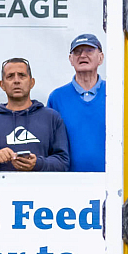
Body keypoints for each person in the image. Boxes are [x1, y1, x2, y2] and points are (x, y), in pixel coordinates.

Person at [0, 58, 70, 172]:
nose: (16, 81)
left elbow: (63, 163)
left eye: (22, 75)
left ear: (32, 82)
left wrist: (38, 164)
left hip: (41, 189)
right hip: (1, 189)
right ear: (2, 85)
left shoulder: (51, 118)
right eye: (10, 76)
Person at [46, 33, 106, 172]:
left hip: (112, 181)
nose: (83, 55)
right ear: (70, 59)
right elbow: (50, 144)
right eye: (77, 52)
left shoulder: (116, 94)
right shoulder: (57, 98)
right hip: (69, 182)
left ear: (101, 57)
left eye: (89, 50)